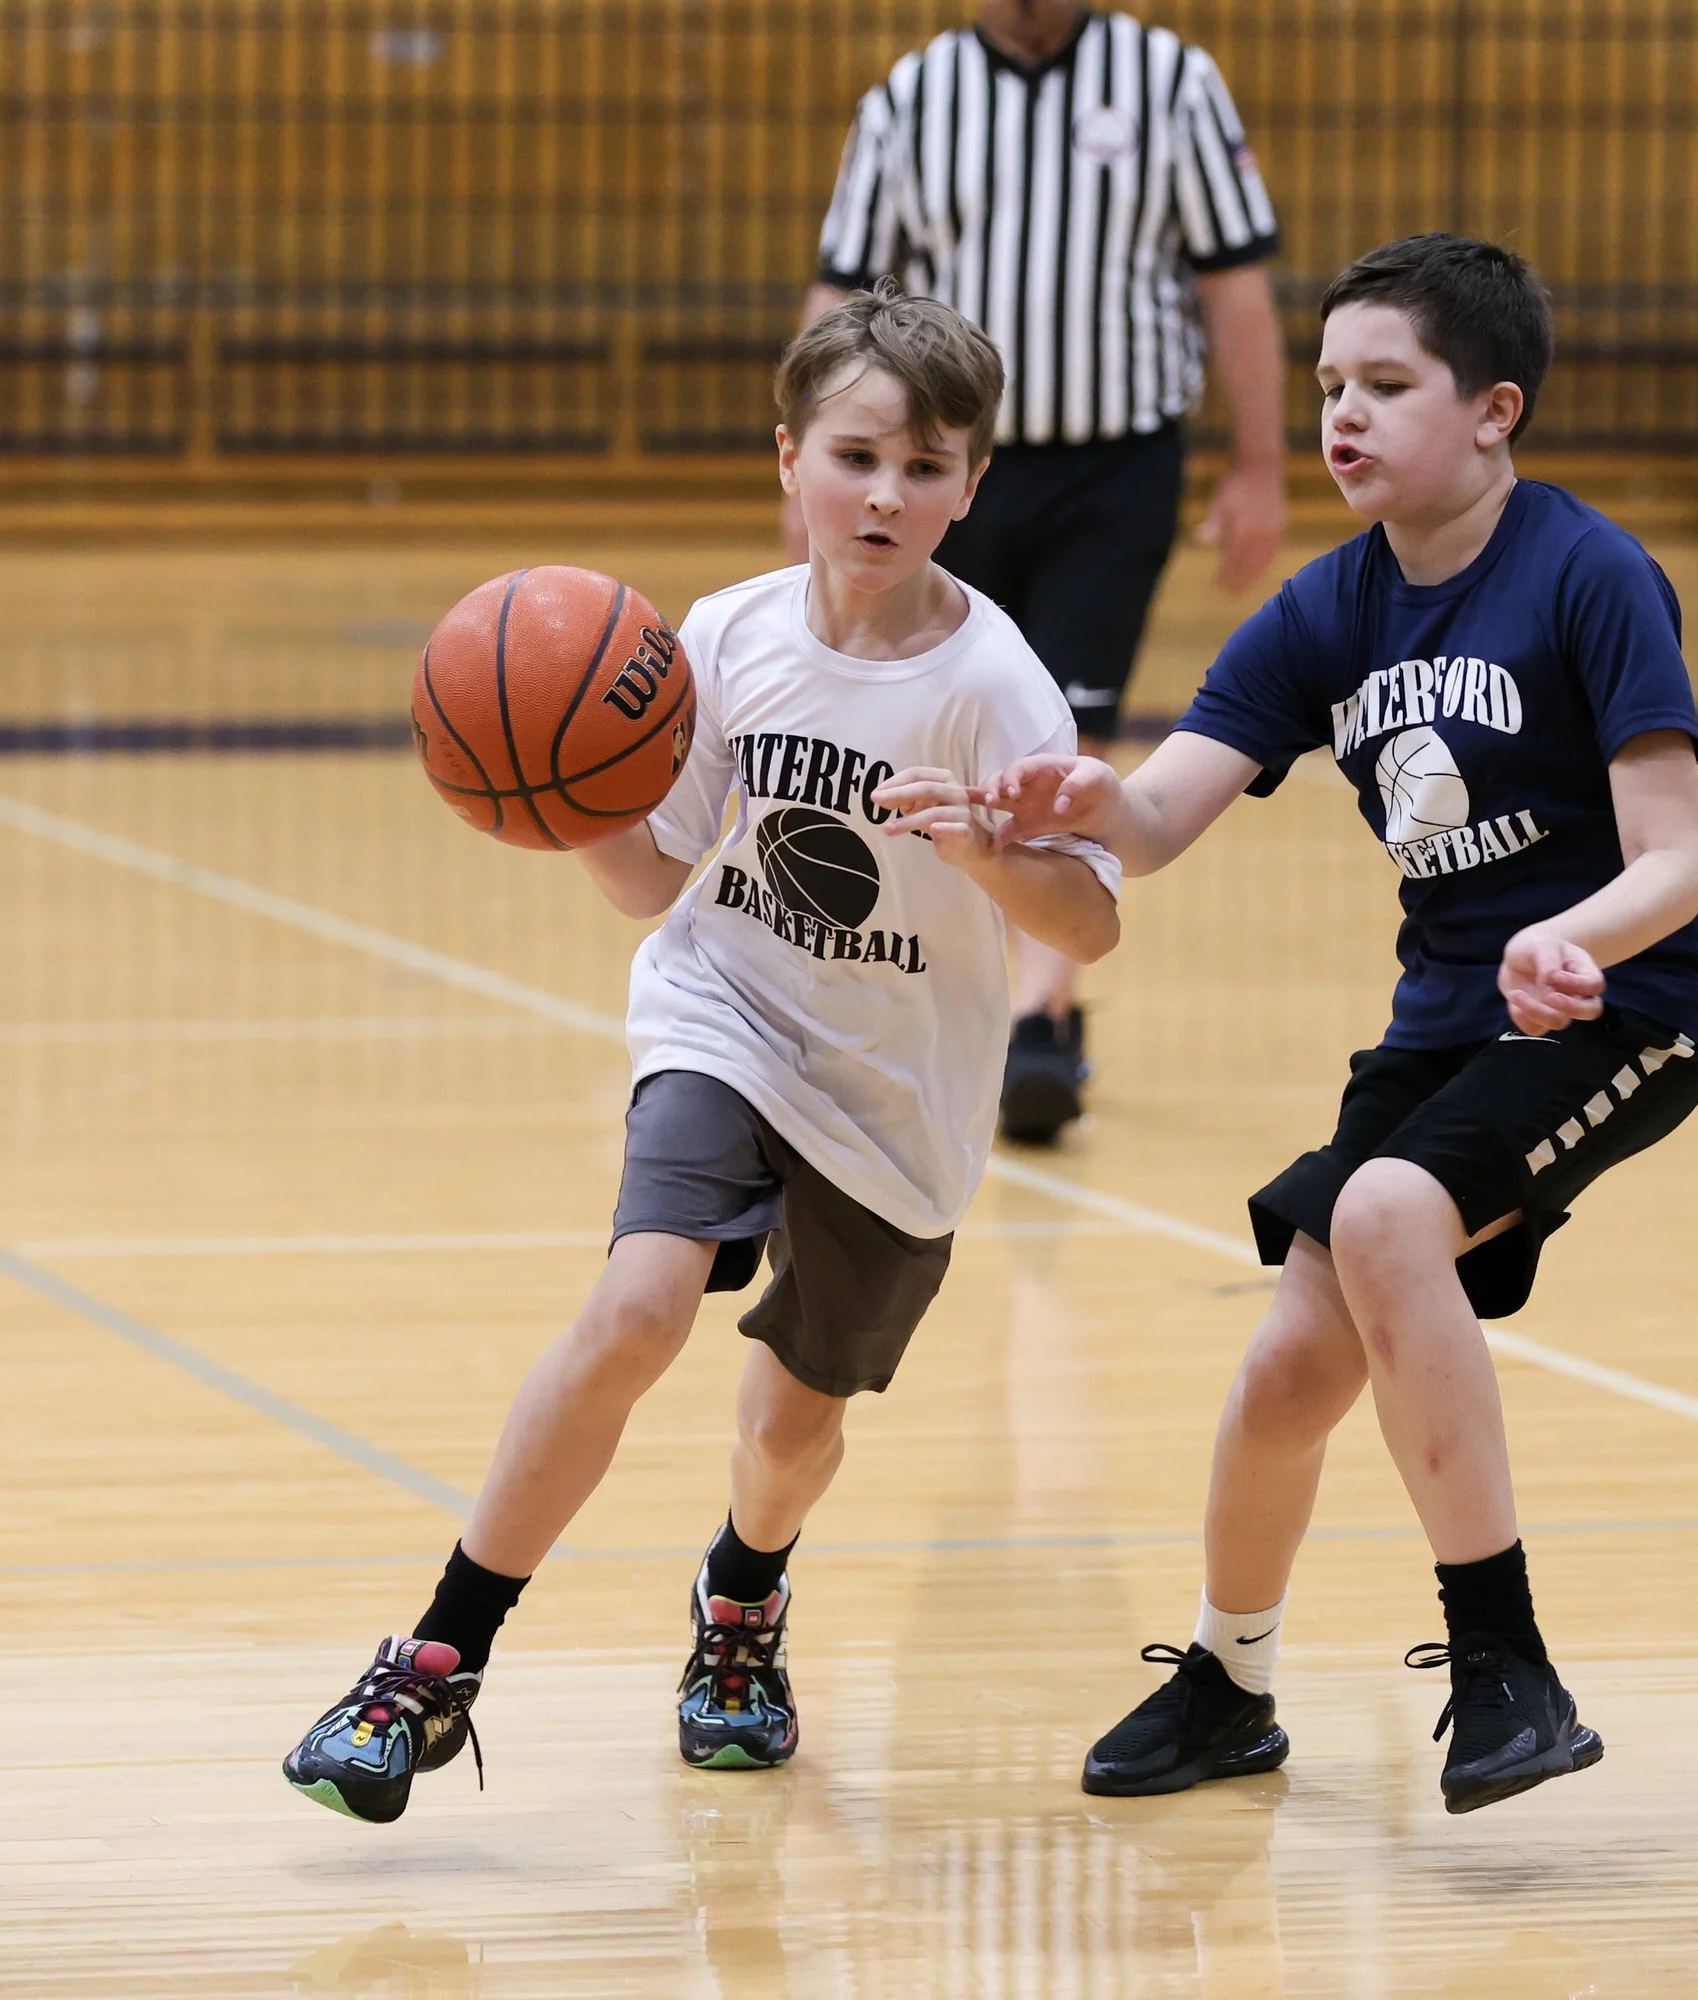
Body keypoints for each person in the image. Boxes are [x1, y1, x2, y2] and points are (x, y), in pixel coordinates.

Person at [280, 289, 1121, 1823]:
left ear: (973, 484)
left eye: (929, 466)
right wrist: (552, 790)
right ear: (789, 457)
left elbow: (1096, 922)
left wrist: (998, 858)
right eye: (857, 456)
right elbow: (657, 883)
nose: (887, 494)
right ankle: (434, 1661)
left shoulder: (990, 683)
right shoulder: (717, 641)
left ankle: (743, 1598)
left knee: (796, 1431)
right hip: (724, 1011)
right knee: (637, 1305)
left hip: (898, 1092)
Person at [983, 235, 1698, 1815]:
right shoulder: (1328, 607)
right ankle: (1230, 1683)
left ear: (1493, 411)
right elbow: (1157, 817)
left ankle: (1505, 1662)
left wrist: (1570, 936)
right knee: (1282, 1378)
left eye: (1384, 386)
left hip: (1629, 1004)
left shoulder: (1588, 575)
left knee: (1392, 1216)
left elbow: (1675, 862)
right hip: (1450, 1026)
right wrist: (1081, 800)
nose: (1340, 416)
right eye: (1328, 387)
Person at [802, 0, 1289, 1143]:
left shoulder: (1171, 81)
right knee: (937, 707)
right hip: (940, 465)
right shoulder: (912, 97)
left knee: (1065, 723)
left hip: (1116, 462)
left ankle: (1043, 1014)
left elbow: (1234, 286)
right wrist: (811, 485)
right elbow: (840, 296)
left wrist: (1259, 464)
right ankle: (933, 981)